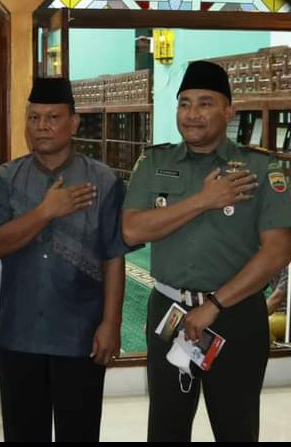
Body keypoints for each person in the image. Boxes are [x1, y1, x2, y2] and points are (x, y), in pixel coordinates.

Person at [122, 60, 291, 442]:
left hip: (236, 315)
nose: (192, 114)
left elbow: (278, 251)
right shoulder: (154, 162)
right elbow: (132, 229)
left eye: (205, 103)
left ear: (229, 111)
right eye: (184, 103)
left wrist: (214, 304)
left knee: (236, 428)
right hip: (169, 312)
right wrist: (204, 200)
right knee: (166, 427)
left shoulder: (260, 167)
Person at [0, 77, 128, 442]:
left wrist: (111, 323)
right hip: (20, 334)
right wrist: (45, 211)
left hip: (80, 336)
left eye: (52, 117)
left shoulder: (103, 180)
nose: (42, 126)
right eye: (34, 118)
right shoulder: (7, 178)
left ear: (73, 122)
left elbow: (113, 257)